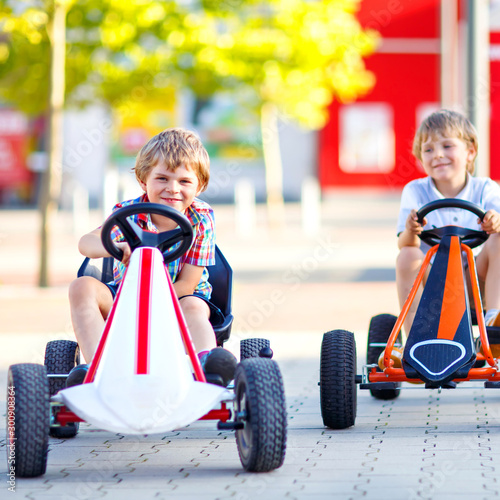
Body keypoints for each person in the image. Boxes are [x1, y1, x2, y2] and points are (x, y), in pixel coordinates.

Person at [67, 128, 237, 387]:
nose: (173, 189)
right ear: (143, 179)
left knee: (193, 306)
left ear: (200, 185)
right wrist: (114, 245)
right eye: (162, 178)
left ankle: (207, 366)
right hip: (125, 297)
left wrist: (150, 306)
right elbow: (85, 243)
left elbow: (189, 283)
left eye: (184, 181)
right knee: (81, 287)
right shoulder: (126, 214)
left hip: (180, 298)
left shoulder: (201, 218)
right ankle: (98, 370)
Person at [396, 109, 500, 339]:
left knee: (499, 239)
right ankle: (414, 338)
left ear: (470, 152)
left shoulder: (485, 189)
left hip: (476, 282)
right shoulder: (415, 191)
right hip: (432, 281)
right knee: (407, 255)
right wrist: (412, 230)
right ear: (421, 157)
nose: (438, 155)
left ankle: (494, 325)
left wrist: (495, 221)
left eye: (447, 146)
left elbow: (498, 221)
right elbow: (403, 242)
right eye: (429, 150)